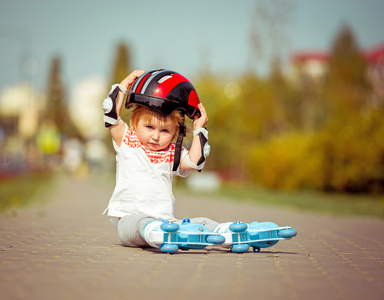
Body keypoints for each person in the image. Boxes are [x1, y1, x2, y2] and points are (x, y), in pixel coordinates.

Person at [102, 69, 220, 248]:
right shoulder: (127, 140)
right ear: (135, 123)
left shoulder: (172, 152)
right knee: (137, 225)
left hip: (167, 223)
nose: (156, 136)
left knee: (201, 223)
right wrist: (124, 84)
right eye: (149, 127)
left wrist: (199, 129)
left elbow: (194, 162)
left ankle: (223, 232)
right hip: (130, 221)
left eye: (165, 131)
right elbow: (111, 114)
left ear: (175, 133)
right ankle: (158, 232)